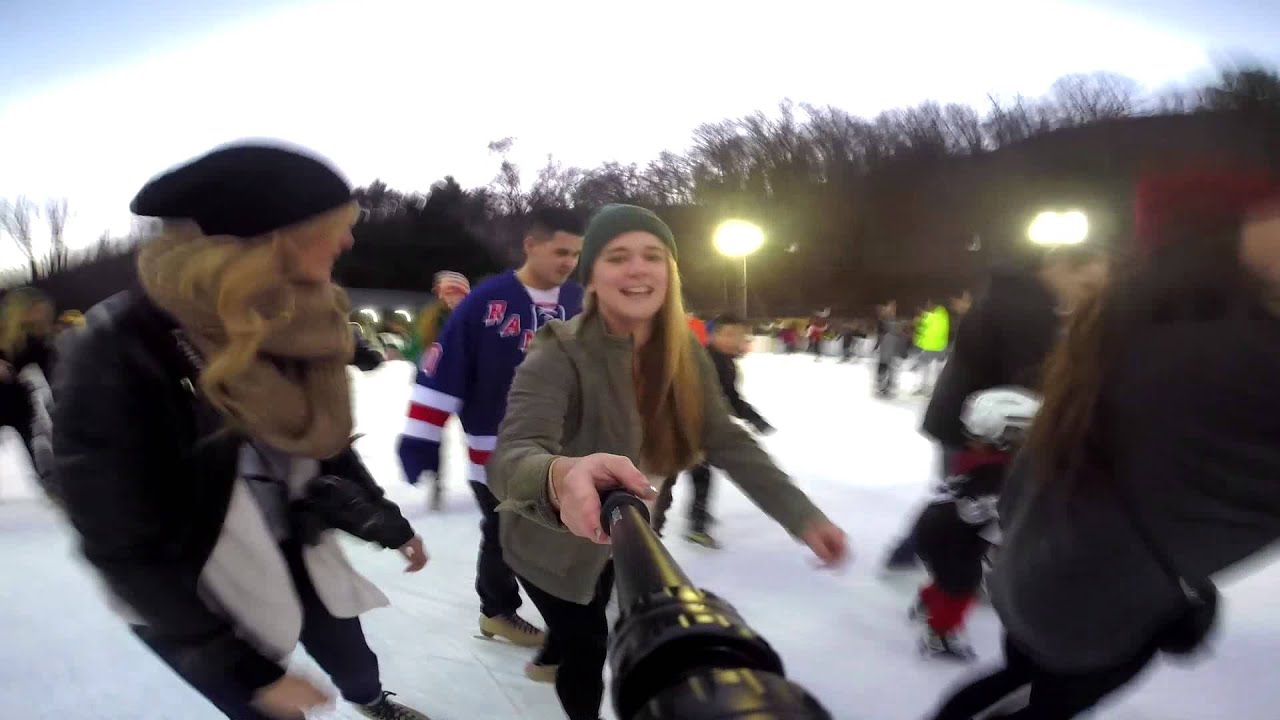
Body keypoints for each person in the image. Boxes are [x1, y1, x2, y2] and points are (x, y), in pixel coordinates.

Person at [51, 143, 431, 720]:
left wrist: (387, 521)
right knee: (267, 708)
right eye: (333, 228)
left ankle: (373, 702)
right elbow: (119, 539)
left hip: (298, 540)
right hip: (197, 584)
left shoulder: (297, 320)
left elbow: (324, 447)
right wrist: (237, 669)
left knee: (353, 659)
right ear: (272, 240)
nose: (348, 242)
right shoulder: (118, 349)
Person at [930, 169, 1280, 719]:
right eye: (1272, 214)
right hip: (1088, 592)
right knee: (1035, 701)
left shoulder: (1147, 314)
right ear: (1226, 230)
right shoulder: (1222, 343)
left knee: (1022, 684)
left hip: (1052, 564)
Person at [488, 204, 850, 720]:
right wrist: (558, 475)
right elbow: (512, 455)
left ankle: (558, 646)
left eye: (653, 255)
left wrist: (802, 515)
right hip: (551, 549)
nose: (638, 268)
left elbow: (724, 437)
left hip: (627, 537)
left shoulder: (685, 353)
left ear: (670, 272)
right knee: (588, 648)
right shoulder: (559, 351)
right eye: (618, 257)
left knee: (599, 616)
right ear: (591, 276)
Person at [397, 207, 585, 647]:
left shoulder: (579, 300)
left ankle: (574, 599)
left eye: (575, 254)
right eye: (560, 252)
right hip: (497, 450)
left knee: (560, 528)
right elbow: (443, 372)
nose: (568, 262)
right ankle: (498, 610)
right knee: (509, 532)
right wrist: (421, 439)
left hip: (564, 446)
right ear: (531, 246)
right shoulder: (486, 301)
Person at [882, 245, 1109, 571]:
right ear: (1060, 267)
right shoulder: (1026, 308)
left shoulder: (1022, 299)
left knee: (966, 497)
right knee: (969, 500)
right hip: (975, 426)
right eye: (1086, 285)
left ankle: (923, 554)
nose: (1088, 295)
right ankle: (950, 572)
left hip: (971, 420)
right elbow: (1031, 375)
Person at [911, 387, 1040, 661]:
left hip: (936, 526)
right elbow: (985, 509)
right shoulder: (999, 473)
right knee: (963, 584)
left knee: (948, 575)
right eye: (1022, 433)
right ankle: (939, 634)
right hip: (951, 534)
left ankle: (927, 601)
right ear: (1004, 436)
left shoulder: (977, 456)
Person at [652, 312, 774, 547]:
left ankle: (692, 519)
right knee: (670, 480)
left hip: (698, 431)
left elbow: (730, 398)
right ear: (714, 335)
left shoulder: (726, 363)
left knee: (698, 477)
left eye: (739, 336)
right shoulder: (703, 360)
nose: (734, 340)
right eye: (728, 334)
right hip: (680, 430)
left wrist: (754, 418)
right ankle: (656, 529)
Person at [0, 287, 57, 484]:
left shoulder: (36, 345)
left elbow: (52, 373)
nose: (42, 319)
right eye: (38, 312)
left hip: (20, 414)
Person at [404, 271, 470, 366]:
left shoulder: (468, 318)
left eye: (455, 293)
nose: (453, 299)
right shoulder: (429, 316)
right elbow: (416, 347)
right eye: (448, 293)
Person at [911, 300, 950, 395]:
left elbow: (922, 329)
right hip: (940, 347)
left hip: (930, 347)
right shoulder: (944, 316)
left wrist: (919, 319)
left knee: (924, 368)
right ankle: (932, 390)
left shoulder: (929, 317)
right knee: (934, 370)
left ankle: (923, 388)